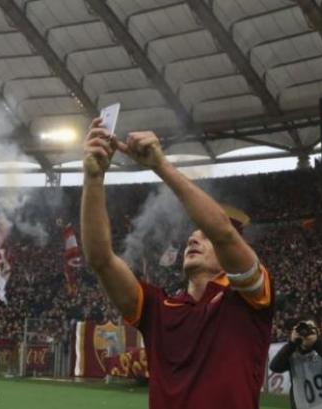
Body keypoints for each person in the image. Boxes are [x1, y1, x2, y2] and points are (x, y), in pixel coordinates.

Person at [80, 118, 274, 409]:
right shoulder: (158, 308)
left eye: (204, 238)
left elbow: (222, 231)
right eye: (191, 239)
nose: (193, 241)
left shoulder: (249, 299)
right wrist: (93, 179)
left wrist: (160, 166)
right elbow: (101, 259)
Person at [269, 317, 322, 409]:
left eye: (310, 329)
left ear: (318, 332)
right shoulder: (293, 354)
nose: (306, 334)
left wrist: (316, 343)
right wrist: (291, 343)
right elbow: (275, 366)